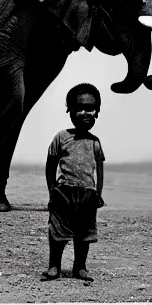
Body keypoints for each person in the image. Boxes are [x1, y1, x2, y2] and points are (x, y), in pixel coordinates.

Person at [42, 83, 106, 282]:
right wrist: (52, 188)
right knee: (58, 232)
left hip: (87, 195)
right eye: (79, 108)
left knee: (84, 235)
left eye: (90, 108)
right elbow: (51, 163)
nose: (85, 112)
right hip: (64, 192)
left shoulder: (95, 141)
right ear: (70, 110)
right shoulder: (61, 137)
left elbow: (99, 170)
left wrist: (98, 194)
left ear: (97, 112)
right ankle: (54, 266)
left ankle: (80, 267)